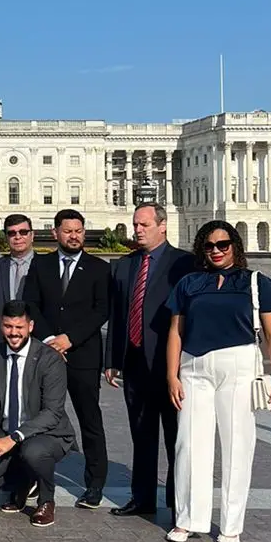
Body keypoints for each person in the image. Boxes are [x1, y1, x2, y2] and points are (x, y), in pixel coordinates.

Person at [165, 221, 271, 542]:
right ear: (201, 249)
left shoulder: (255, 282)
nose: (217, 251)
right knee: (190, 443)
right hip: (194, 367)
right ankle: (188, 518)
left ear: (235, 245)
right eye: (209, 246)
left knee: (237, 443)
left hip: (238, 363)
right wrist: (171, 375)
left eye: (223, 244)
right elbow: (176, 332)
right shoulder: (189, 283)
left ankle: (231, 524)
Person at [105, 203, 193, 517]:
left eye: (144, 224)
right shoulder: (126, 264)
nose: (138, 230)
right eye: (135, 225)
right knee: (141, 434)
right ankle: (142, 498)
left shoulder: (184, 263)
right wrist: (112, 358)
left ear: (163, 225)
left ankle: (176, 499)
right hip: (135, 360)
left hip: (171, 364)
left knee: (175, 434)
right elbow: (118, 313)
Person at [21, 208, 110, 509]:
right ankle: (33, 479)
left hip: (82, 355)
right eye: (68, 230)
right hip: (46, 355)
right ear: (55, 233)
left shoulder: (99, 268)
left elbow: (101, 311)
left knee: (90, 421)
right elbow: (31, 303)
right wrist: (49, 340)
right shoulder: (41, 264)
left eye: (79, 230)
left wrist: (70, 339)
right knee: (38, 418)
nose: (74, 236)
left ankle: (95, 484)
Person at [0, 301, 76, 528]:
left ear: (31, 326)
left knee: (32, 451)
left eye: (19, 327)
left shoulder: (50, 359)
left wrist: (13, 437)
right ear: (1, 326)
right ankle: (23, 482)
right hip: (7, 431)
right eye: (8, 326)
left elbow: (52, 412)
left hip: (48, 434)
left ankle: (46, 500)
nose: (13, 333)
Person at [0, 215, 36, 322]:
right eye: (12, 233)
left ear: (32, 235)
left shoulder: (47, 266)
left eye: (23, 232)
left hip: (37, 335)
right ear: (6, 237)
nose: (18, 237)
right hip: (1, 335)